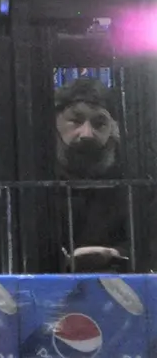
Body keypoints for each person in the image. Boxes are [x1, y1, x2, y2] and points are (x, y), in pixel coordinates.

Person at [52, 76, 130, 271]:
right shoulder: (33, 176)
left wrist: (117, 255)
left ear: (113, 128)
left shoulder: (132, 180)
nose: (86, 133)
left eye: (99, 123)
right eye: (75, 121)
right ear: (54, 122)